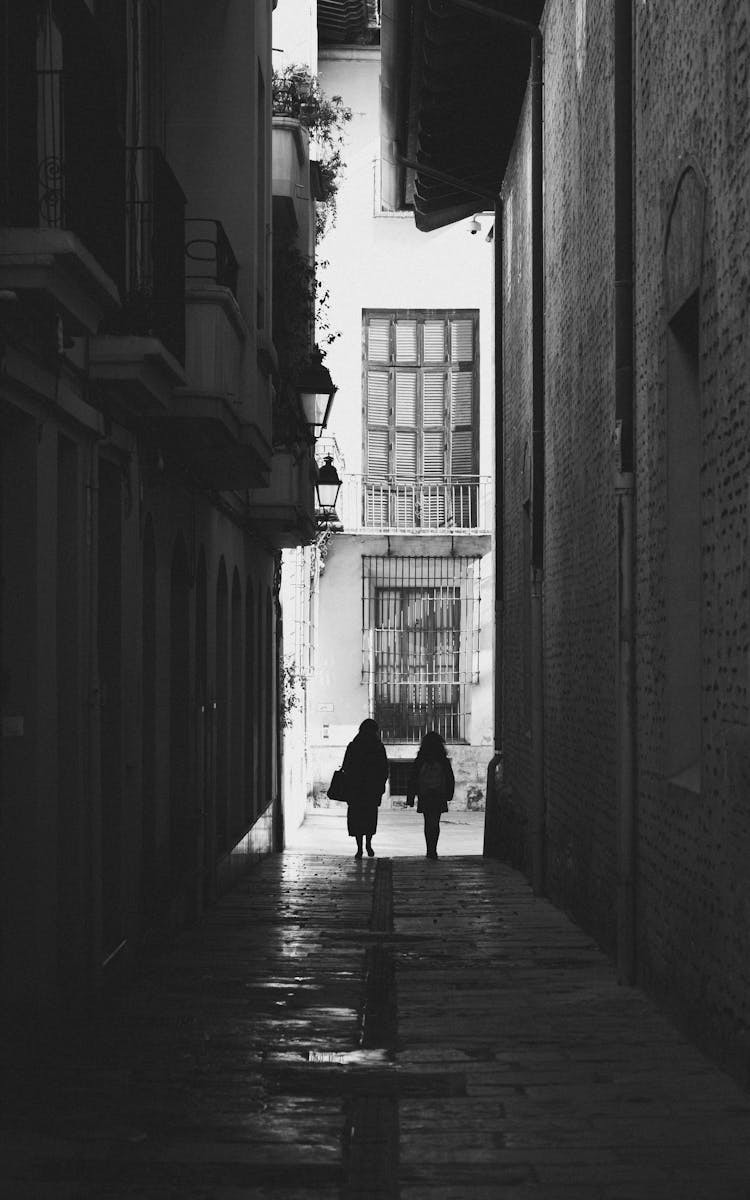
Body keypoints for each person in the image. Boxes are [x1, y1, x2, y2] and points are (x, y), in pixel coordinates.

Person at [342, 718, 389, 858]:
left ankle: (359, 848)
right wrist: (380, 785)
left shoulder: (353, 746)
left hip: (355, 788)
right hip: (371, 789)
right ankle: (368, 844)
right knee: (369, 817)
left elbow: (346, 766)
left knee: (356, 818)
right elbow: (384, 769)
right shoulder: (378, 747)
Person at [406, 730, 455, 859]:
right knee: (436, 821)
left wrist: (410, 797)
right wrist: (449, 794)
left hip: (425, 794)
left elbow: (413, 778)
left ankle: (429, 849)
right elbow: (450, 777)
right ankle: (434, 848)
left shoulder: (421, 759)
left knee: (428, 821)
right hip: (439, 794)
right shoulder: (443, 760)